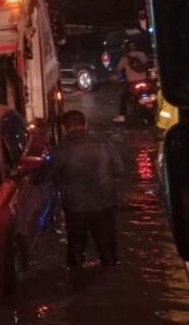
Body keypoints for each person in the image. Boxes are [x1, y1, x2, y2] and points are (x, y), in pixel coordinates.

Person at [51, 110, 124, 267]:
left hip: (75, 208)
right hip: (104, 203)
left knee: (76, 252)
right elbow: (119, 170)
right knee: (108, 252)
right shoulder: (105, 143)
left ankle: (76, 284)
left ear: (64, 128)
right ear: (85, 125)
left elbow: (49, 176)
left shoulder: (60, 149)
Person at [114, 40, 151, 123]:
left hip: (132, 83)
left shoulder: (125, 58)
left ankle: (122, 116)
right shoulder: (142, 54)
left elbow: (118, 69)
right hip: (145, 80)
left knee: (124, 96)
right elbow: (148, 64)